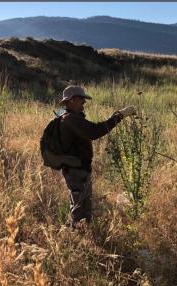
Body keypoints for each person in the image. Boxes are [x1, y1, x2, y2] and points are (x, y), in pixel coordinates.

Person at [58, 85, 136, 228]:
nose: (84, 102)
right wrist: (119, 116)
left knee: (83, 207)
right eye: (82, 99)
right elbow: (95, 131)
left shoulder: (71, 118)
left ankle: (82, 237)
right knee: (79, 209)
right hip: (76, 171)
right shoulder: (70, 119)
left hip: (79, 170)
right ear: (72, 100)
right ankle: (77, 239)